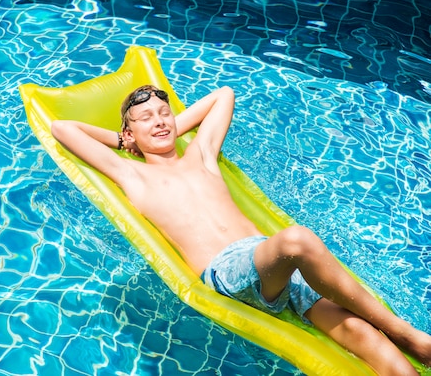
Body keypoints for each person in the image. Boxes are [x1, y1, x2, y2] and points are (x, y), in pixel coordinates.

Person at [51, 84, 431, 375]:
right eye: (146, 117)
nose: (160, 120)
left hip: (272, 263)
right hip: (228, 271)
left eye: (164, 113)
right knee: (298, 238)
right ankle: (403, 331)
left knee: (373, 345)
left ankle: (401, 347)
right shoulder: (132, 174)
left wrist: (165, 128)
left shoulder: (202, 155)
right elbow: (62, 127)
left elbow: (224, 95)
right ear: (129, 134)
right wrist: (126, 143)